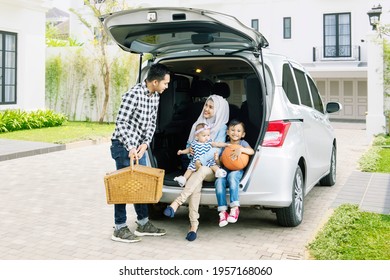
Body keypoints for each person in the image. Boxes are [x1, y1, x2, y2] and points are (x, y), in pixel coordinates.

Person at [110, 63, 170, 243]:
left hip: (138, 146)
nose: (167, 86)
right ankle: (119, 227)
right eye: (165, 83)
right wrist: (130, 147)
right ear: (154, 81)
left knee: (139, 184)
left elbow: (152, 123)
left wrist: (145, 144)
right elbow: (121, 123)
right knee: (124, 186)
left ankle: (143, 223)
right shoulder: (133, 95)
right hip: (123, 146)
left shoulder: (155, 97)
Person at [163, 94, 229, 241]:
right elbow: (189, 147)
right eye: (206, 105)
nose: (206, 109)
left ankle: (177, 203)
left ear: (219, 110)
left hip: (212, 169)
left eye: (211, 107)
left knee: (202, 170)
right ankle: (193, 227)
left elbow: (217, 151)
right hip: (196, 167)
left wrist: (200, 161)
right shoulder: (197, 125)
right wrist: (190, 153)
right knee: (196, 186)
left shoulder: (221, 128)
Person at [214, 119, 254, 227]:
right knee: (219, 181)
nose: (235, 133)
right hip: (226, 169)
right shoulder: (226, 145)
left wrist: (241, 149)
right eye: (232, 130)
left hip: (237, 170)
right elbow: (222, 162)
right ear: (227, 132)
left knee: (232, 177)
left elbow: (252, 151)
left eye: (238, 130)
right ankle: (222, 212)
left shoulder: (243, 143)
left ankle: (234, 208)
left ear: (243, 134)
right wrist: (217, 159)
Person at [174, 122, 227, 187]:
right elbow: (188, 150)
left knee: (213, 165)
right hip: (196, 162)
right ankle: (184, 179)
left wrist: (226, 144)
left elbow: (217, 144)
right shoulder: (194, 143)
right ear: (197, 136)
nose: (207, 137)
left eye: (208, 135)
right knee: (189, 170)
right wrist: (182, 151)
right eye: (204, 136)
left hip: (207, 160)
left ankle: (219, 172)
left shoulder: (209, 142)